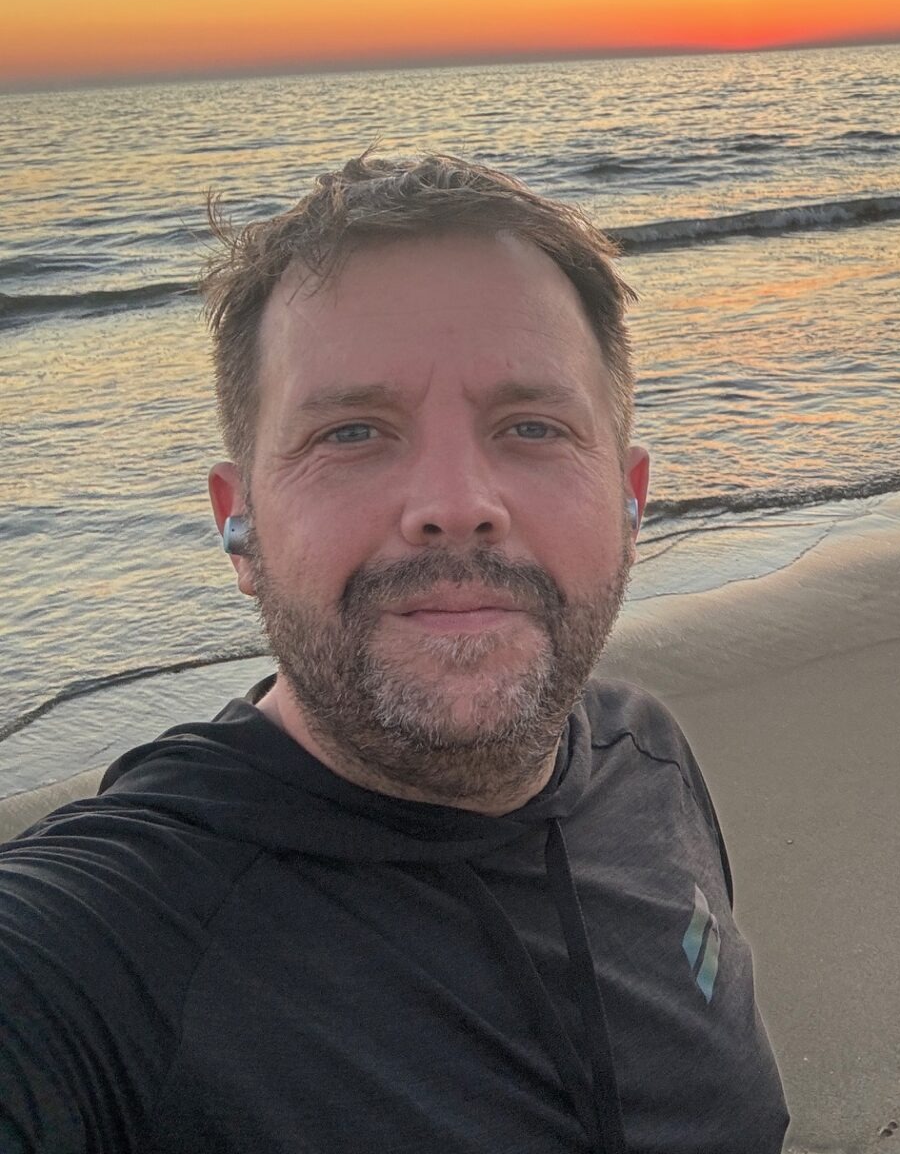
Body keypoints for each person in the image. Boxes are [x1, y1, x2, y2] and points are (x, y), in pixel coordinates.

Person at [0, 153, 788, 1152]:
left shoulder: (650, 762)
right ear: (240, 525)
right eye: (354, 432)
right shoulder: (94, 955)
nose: (456, 505)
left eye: (533, 426)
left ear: (630, 502)